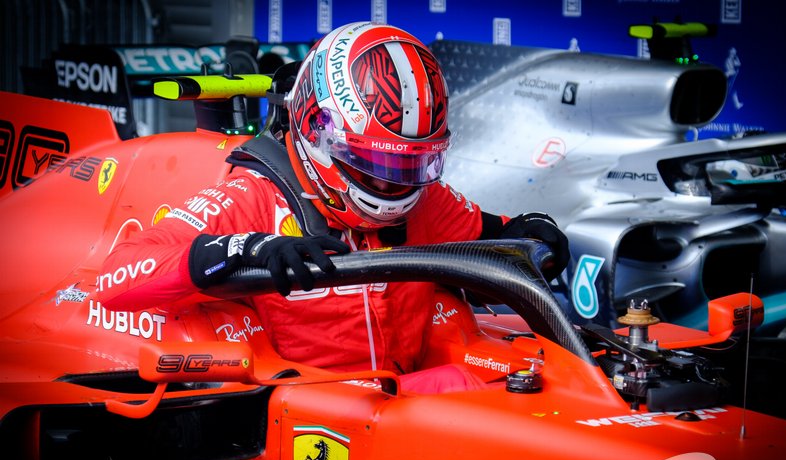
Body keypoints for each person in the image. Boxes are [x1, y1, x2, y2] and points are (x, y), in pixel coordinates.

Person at [98, 21, 569, 393]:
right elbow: (115, 275)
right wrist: (248, 249)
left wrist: (534, 231)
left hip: (397, 400)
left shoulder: (423, 201)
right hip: (306, 414)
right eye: (375, 162)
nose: (393, 182)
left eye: (411, 166)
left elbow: (491, 235)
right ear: (319, 133)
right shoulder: (254, 198)